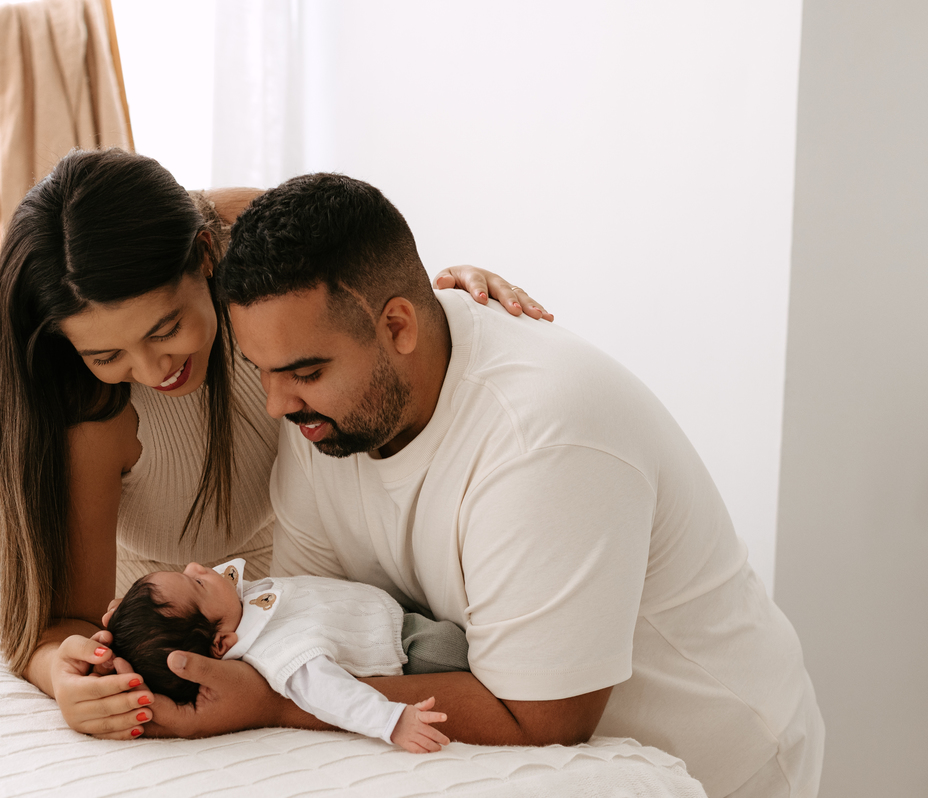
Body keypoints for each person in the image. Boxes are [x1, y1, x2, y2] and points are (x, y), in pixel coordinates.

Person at [140, 172, 824, 798]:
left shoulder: (543, 439)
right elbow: (312, 612)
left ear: (398, 326)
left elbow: (541, 717)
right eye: (262, 370)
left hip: (717, 763)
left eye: (306, 373)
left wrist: (276, 698)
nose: (277, 405)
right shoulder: (324, 414)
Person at [0, 148, 546, 739]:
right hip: (202, 631)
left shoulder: (249, 239)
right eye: (106, 355)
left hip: (337, 590)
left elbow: (376, 309)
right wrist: (63, 673)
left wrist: (454, 309)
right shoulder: (88, 417)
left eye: (166, 329)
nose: (151, 371)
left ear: (204, 256)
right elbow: (57, 623)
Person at [108, 558, 460, 753]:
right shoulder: (278, 654)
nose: (196, 566)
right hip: (409, 645)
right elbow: (331, 693)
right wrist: (391, 722)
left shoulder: (236, 608)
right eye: (197, 584)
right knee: (467, 655)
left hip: (395, 615)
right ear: (220, 644)